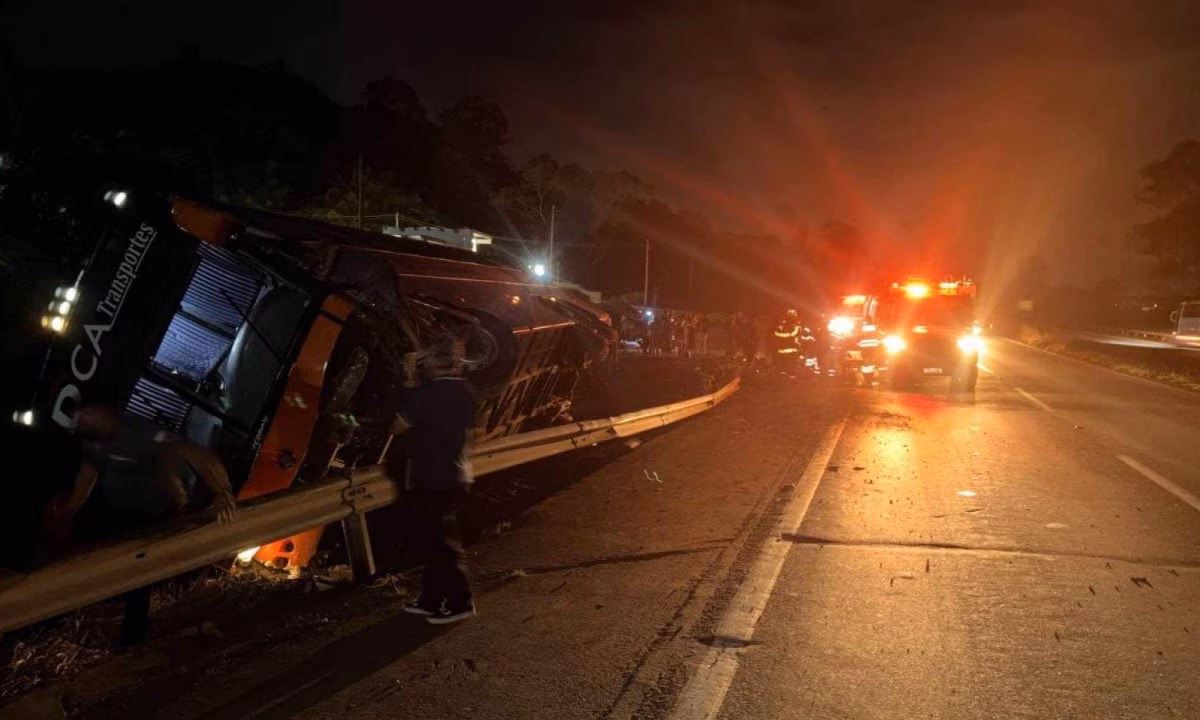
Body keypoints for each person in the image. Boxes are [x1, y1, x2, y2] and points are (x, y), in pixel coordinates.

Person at [392, 333, 478, 624]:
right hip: (457, 473)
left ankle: (460, 601)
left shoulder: (426, 395)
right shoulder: (465, 391)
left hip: (431, 476)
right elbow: (469, 433)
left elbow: (397, 426)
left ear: (431, 362)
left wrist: (407, 380)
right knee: (435, 539)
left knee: (441, 544)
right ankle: (430, 599)